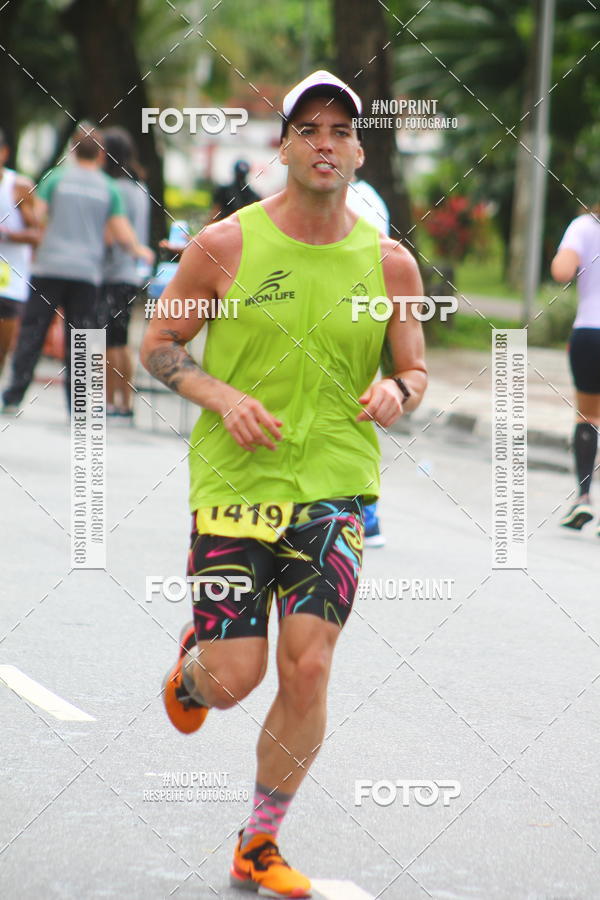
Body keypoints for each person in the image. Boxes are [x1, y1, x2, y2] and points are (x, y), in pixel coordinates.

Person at [141, 69, 427, 898]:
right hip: (234, 486)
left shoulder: (390, 264)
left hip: (335, 487)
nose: (326, 143)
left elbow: (412, 372)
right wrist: (221, 395)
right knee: (235, 681)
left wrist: (396, 393)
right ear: (286, 145)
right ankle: (194, 668)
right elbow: (161, 344)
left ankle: (257, 845)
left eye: (341, 130)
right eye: (310, 129)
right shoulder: (224, 245)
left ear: (359, 150)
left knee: (308, 669)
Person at [1, 122, 152, 414]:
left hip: (49, 267)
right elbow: (120, 231)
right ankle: (79, 405)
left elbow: (38, 217)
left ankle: (13, 396)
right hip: (87, 273)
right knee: (82, 337)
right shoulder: (108, 188)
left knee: (33, 331)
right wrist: (139, 250)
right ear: (100, 154)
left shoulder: (55, 178)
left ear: (71, 149)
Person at [347, 174, 391, 547]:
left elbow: (377, 261)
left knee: (354, 413)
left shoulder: (363, 198)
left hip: (354, 320)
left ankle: (367, 514)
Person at [551, 205, 600, 533]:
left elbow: (562, 271)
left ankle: (583, 498)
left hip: (590, 333)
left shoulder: (584, 226)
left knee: (588, 417)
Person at [101, 127, 151, 418]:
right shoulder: (140, 187)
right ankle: (126, 401)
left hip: (113, 270)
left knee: (109, 339)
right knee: (121, 338)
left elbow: (109, 235)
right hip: (133, 273)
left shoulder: (114, 189)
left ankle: (110, 401)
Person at [0, 128, 41, 377]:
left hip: (9, 282)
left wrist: (7, 234)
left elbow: (37, 235)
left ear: (4, 153)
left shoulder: (18, 187)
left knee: (2, 349)